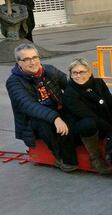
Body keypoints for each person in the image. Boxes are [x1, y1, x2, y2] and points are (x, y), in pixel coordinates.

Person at [6, 43, 78, 172]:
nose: (33, 62)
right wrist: (55, 118)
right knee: (44, 123)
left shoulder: (49, 70)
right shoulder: (14, 82)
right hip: (33, 121)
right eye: (27, 59)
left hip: (57, 110)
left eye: (35, 57)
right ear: (19, 63)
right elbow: (28, 106)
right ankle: (59, 157)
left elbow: (70, 87)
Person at [62, 58, 112, 175]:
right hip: (79, 128)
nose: (78, 75)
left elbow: (110, 104)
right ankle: (95, 158)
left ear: (90, 72)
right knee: (89, 123)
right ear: (71, 75)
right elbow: (86, 114)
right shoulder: (70, 93)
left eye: (82, 72)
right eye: (74, 73)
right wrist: (110, 129)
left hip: (101, 122)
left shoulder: (99, 83)